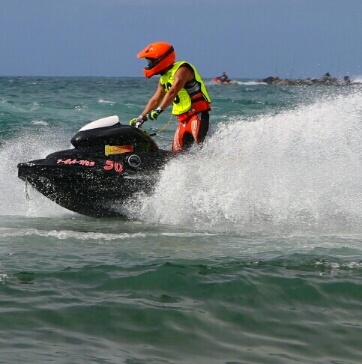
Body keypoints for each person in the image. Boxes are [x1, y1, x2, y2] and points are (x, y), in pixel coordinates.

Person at [130, 42, 211, 153]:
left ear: (162, 59)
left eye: (151, 61)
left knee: (205, 148)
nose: (149, 65)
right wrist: (141, 116)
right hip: (183, 120)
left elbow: (173, 91)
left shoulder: (182, 69)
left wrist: (159, 110)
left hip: (197, 116)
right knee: (176, 156)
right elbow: (155, 99)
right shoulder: (164, 78)